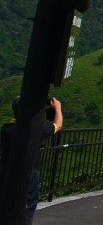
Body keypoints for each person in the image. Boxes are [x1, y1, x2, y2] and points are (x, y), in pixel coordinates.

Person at [0, 96, 62, 225]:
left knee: (5, 204)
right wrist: (57, 108)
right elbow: (57, 125)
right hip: (28, 174)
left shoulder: (5, 129)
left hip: (6, 171)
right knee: (27, 206)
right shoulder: (36, 130)